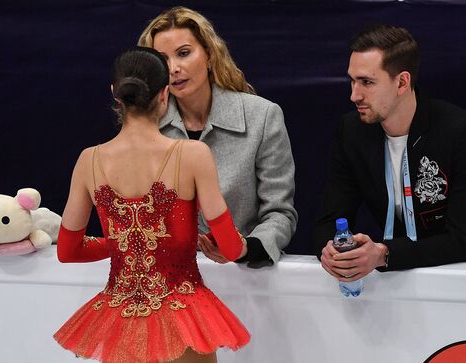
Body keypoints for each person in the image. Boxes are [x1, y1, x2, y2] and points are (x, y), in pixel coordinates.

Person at [53, 47, 250, 363]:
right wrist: (238, 248)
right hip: (183, 315)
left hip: (121, 317)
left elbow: (68, 250)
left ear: (115, 93)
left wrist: (122, 245)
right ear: (164, 93)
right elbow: (228, 247)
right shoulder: (193, 155)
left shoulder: (88, 160)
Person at [138, 6, 297, 268]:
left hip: (242, 275)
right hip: (168, 278)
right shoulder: (146, 127)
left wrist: (245, 248)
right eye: (162, 59)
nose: (174, 68)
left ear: (210, 55)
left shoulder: (263, 116)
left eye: (184, 53)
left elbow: (280, 213)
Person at [314, 24, 466, 282]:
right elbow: (328, 221)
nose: (354, 95)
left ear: (402, 82)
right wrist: (333, 251)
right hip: (396, 279)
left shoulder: (457, 130)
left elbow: (461, 238)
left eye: (366, 82)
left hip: (455, 279)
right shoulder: (352, 132)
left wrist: (384, 254)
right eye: (352, 80)